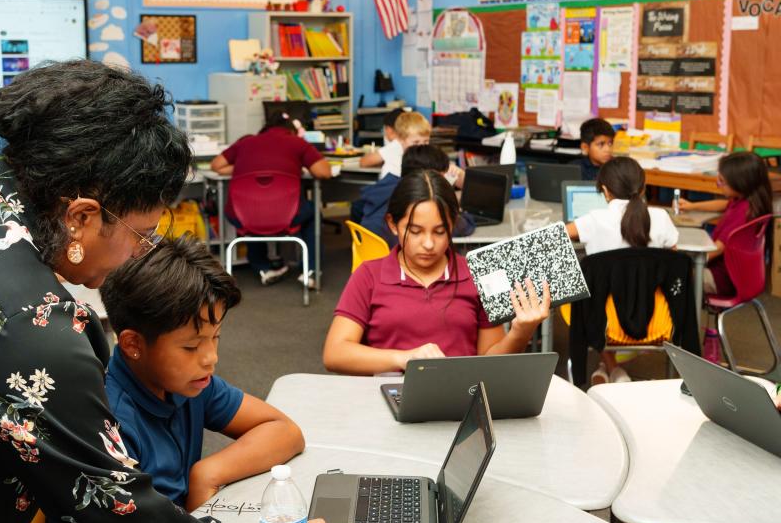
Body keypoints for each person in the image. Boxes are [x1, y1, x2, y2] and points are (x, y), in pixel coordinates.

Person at [0, 60, 348, 523]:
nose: (144, 252)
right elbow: (118, 508)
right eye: (142, 233)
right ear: (80, 218)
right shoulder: (28, 327)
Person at [65, 236, 305, 523]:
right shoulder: (106, 428)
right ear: (133, 344)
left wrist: (206, 474)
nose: (210, 358)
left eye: (215, 338)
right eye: (191, 347)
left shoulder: (188, 382)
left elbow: (284, 430)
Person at [323, 170, 550, 376]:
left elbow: (491, 365)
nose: (429, 244)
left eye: (440, 232)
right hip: (386, 398)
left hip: (460, 399)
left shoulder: (476, 275)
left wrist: (521, 332)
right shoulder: (369, 275)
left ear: (452, 226)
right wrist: (404, 358)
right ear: (393, 225)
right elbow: (335, 353)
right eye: (415, 231)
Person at [565, 156, 679, 384]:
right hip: (655, 319)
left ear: (605, 191)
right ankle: (611, 367)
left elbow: (555, 236)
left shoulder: (594, 220)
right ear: (643, 187)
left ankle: (610, 367)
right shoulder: (662, 217)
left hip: (605, 322)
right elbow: (673, 264)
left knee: (574, 292)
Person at [210, 111, 332, 288]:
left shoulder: (246, 142)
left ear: (264, 128)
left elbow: (216, 165)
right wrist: (300, 165)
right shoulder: (298, 143)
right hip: (287, 215)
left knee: (253, 210)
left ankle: (263, 267)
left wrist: (245, 166)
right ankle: (311, 271)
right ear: (291, 130)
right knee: (312, 212)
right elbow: (324, 172)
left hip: (242, 215)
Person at [678, 151, 773, 296]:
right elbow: (723, 204)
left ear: (740, 183)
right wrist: (692, 206)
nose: (717, 184)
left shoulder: (742, 214)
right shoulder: (748, 202)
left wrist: (683, 260)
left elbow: (714, 251)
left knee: (668, 275)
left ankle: (679, 317)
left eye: (722, 181)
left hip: (721, 279)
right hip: (738, 276)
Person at [360, 144, 475, 247]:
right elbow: (461, 226)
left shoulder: (385, 188)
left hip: (371, 256)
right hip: (401, 262)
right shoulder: (421, 202)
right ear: (430, 178)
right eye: (442, 177)